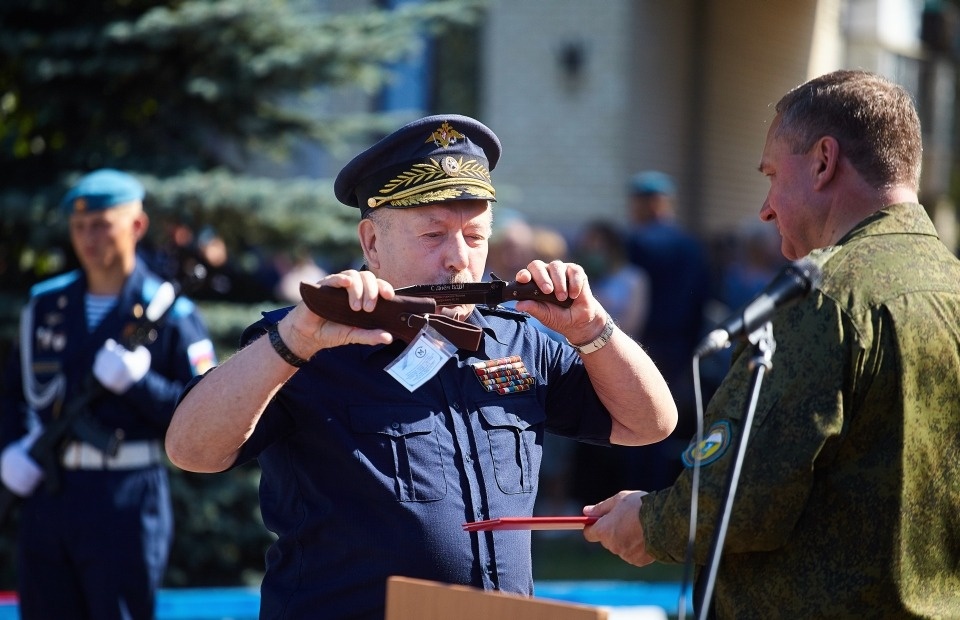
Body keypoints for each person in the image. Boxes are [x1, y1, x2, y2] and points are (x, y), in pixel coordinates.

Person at [163, 114, 679, 619]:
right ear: (371, 243)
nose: (458, 259)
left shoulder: (517, 337)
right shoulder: (307, 338)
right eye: (433, 235)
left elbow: (649, 424)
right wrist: (293, 340)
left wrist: (592, 329)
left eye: (475, 237)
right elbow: (191, 451)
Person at [582, 70, 960, 617]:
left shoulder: (820, 296)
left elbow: (738, 497)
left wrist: (649, 521)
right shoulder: (949, 284)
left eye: (772, 175)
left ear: (824, 162)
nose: (765, 207)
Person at [0, 169, 217, 620]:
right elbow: (12, 392)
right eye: (79, 227)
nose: (88, 237)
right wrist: (10, 448)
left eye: (101, 224)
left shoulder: (171, 312)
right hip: (50, 489)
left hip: (125, 496)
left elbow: (207, 416)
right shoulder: (45, 306)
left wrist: (141, 385)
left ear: (136, 226)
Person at [624, 170, 714, 492]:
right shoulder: (690, 244)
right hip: (679, 345)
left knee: (635, 420)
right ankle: (662, 492)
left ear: (648, 203)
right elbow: (702, 297)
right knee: (667, 422)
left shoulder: (637, 241)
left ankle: (634, 493)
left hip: (642, 342)